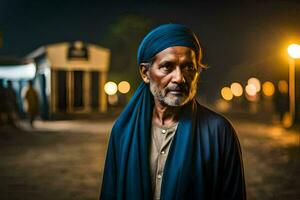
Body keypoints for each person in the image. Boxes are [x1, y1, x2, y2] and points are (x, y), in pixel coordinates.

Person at [100, 24, 246, 200]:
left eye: (188, 67)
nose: (179, 78)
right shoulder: (123, 132)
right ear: (145, 73)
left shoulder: (218, 131)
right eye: (167, 67)